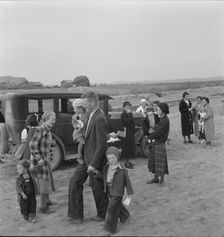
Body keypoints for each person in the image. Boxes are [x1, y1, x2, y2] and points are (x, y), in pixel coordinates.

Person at [68, 91, 109, 224]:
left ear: (92, 103)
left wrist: (94, 164)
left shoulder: (99, 118)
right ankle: (76, 216)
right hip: (86, 158)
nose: (83, 106)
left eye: (85, 103)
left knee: (98, 189)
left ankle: (104, 214)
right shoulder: (91, 115)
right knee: (74, 182)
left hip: (93, 161)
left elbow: (102, 145)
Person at [29, 111, 56, 214]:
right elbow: (32, 145)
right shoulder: (40, 130)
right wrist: (39, 158)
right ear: (45, 120)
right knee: (43, 182)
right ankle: (43, 207)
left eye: (54, 119)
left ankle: (47, 201)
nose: (54, 121)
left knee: (47, 179)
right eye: (52, 119)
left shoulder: (48, 131)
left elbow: (47, 144)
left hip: (45, 160)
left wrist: (53, 143)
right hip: (39, 161)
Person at [103, 146, 133, 235]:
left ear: (117, 157)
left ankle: (110, 229)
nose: (111, 160)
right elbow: (104, 177)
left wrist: (129, 194)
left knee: (111, 209)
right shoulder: (106, 167)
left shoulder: (122, 169)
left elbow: (128, 182)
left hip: (118, 192)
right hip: (109, 190)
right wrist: (96, 175)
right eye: (109, 158)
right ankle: (125, 216)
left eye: (113, 158)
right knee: (117, 205)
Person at [146, 103, 170, 186]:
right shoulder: (161, 118)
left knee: (161, 162)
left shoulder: (165, 120)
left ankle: (162, 180)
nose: (157, 111)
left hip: (160, 142)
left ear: (163, 111)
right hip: (156, 142)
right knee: (154, 161)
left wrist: (149, 137)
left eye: (158, 110)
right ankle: (156, 178)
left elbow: (158, 132)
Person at [71, 99, 88, 164]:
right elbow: (75, 124)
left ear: (80, 108)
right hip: (78, 134)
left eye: (75, 108)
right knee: (82, 141)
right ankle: (79, 155)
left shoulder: (86, 114)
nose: (74, 110)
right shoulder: (75, 116)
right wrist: (77, 126)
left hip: (84, 133)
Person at [120, 101, 135, 169]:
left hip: (130, 133)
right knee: (126, 148)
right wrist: (130, 114)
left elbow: (132, 122)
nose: (128, 107)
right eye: (126, 106)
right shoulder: (124, 114)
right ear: (124, 107)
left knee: (129, 147)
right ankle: (126, 163)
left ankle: (128, 161)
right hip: (126, 133)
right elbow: (128, 122)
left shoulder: (129, 113)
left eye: (129, 106)